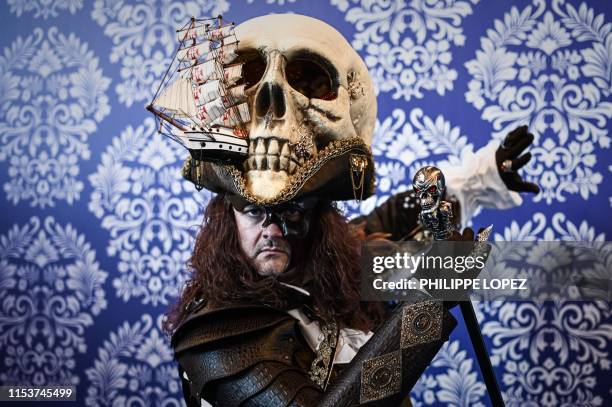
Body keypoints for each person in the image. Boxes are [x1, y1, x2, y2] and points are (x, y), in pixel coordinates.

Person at [160, 14, 540, 407]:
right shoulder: (213, 334)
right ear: (226, 219)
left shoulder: (326, 272)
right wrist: (430, 297)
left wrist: (482, 175)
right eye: (254, 213)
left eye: (292, 212)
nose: (272, 229)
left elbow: (389, 225)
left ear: (316, 221)